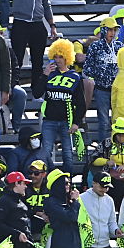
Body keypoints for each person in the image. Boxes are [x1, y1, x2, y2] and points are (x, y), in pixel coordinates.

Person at [34, 40, 86, 174]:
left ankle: (67, 180)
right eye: (55, 57)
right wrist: (44, 75)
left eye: (61, 57)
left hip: (66, 121)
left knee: (67, 153)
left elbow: (81, 103)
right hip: (49, 120)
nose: (57, 60)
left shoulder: (76, 77)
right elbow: (36, 93)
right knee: (45, 152)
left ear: (67, 57)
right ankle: (48, 177)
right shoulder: (49, 74)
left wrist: (76, 122)